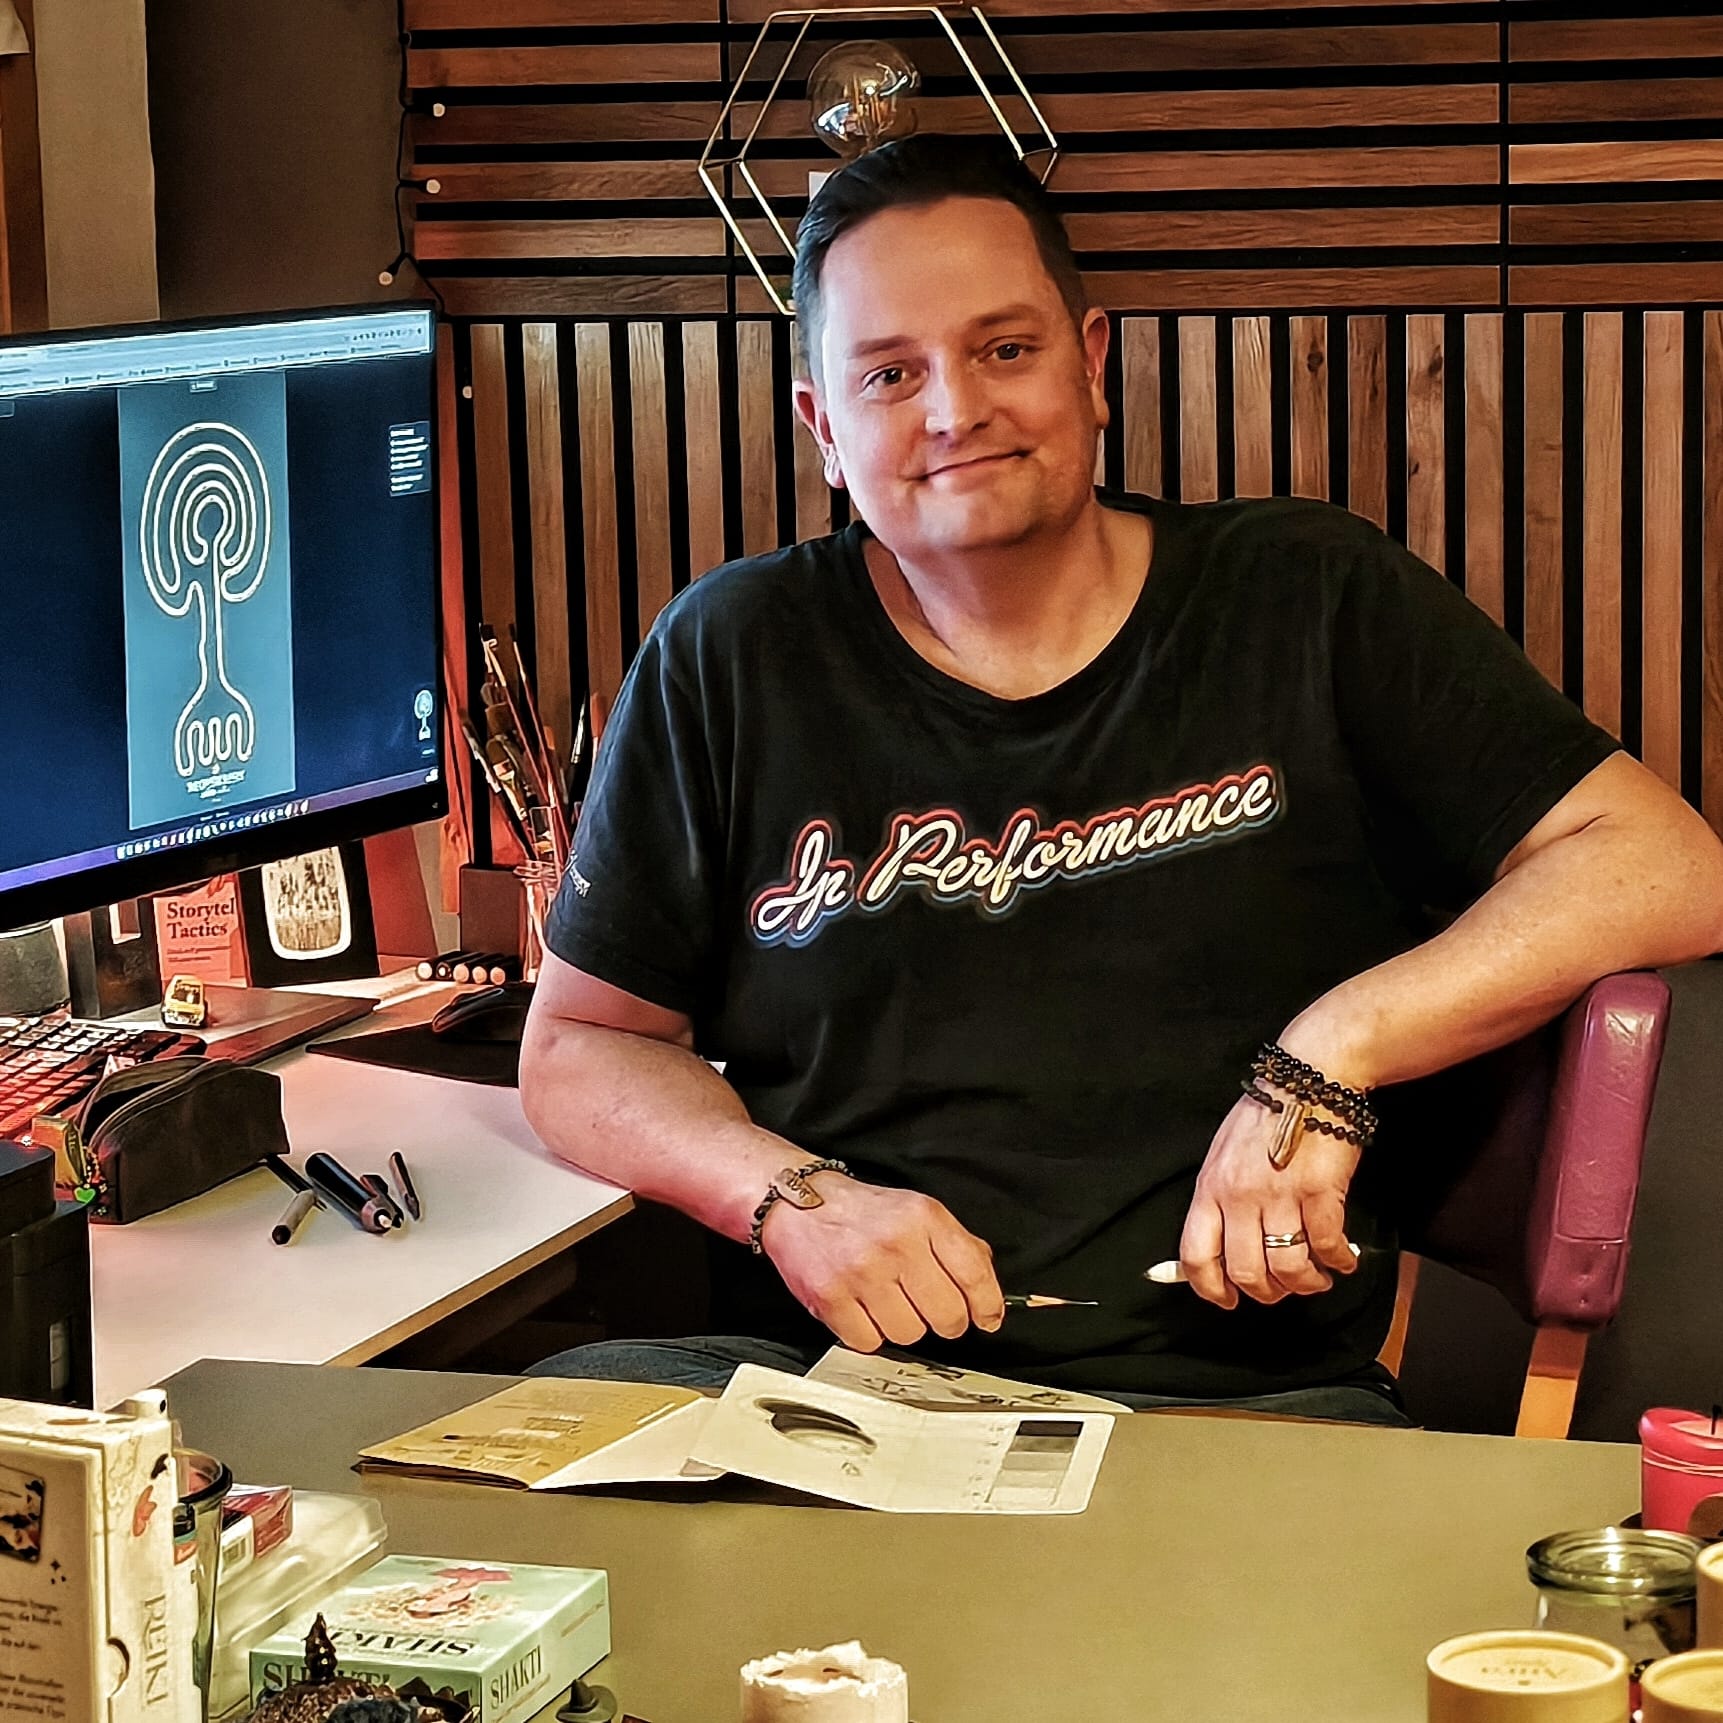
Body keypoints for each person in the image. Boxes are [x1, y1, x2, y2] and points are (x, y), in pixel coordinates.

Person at [517, 136, 1723, 1422]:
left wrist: (1327, 1054)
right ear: (823, 426)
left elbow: (1667, 865)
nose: (951, 411)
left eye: (1003, 349)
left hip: (1240, 1405)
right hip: (821, 1402)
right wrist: (788, 1196)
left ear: (1092, 365)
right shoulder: (730, 653)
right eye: (888, 373)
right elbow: (582, 1047)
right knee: (497, 1486)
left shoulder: (1303, 596)